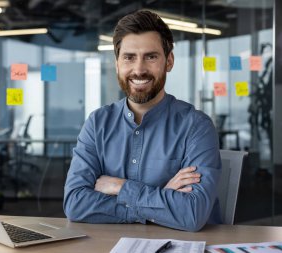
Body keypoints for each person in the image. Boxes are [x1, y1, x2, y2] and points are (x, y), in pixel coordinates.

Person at [63, 10, 222, 232]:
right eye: (129, 57)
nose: (138, 69)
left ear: (169, 61)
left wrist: (120, 187)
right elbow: (75, 204)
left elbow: (191, 214)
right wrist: (161, 201)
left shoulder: (196, 126)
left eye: (151, 56)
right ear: (117, 63)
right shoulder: (97, 123)